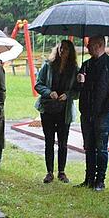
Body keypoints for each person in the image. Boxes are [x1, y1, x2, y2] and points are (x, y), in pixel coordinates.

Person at [73, 36, 109, 191]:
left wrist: (107, 108)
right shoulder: (86, 65)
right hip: (87, 111)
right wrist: (80, 81)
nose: (88, 48)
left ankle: (100, 180)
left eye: (91, 46)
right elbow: (79, 89)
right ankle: (88, 178)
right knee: (89, 146)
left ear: (100, 45)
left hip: (103, 113)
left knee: (101, 147)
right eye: (88, 46)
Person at [34, 39, 79, 184]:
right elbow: (38, 84)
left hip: (64, 110)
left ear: (70, 51)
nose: (62, 51)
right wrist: (48, 92)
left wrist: (68, 95)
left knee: (63, 142)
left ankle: (62, 171)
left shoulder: (74, 69)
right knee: (49, 141)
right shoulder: (48, 66)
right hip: (47, 108)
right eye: (60, 48)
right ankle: (49, 172)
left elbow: (78, 90)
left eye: (65, 49)